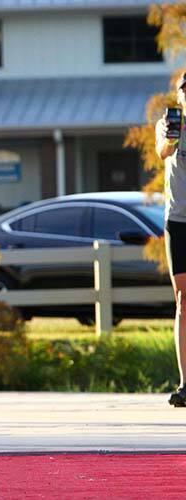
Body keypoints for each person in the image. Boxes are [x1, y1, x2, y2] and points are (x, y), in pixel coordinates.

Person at [156, 72, 186, 407]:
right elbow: (162, 151)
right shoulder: (168, 126)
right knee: (183, 299)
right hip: (178, 221)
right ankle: (185, 382)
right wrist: (171, 138)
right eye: (185, 90)